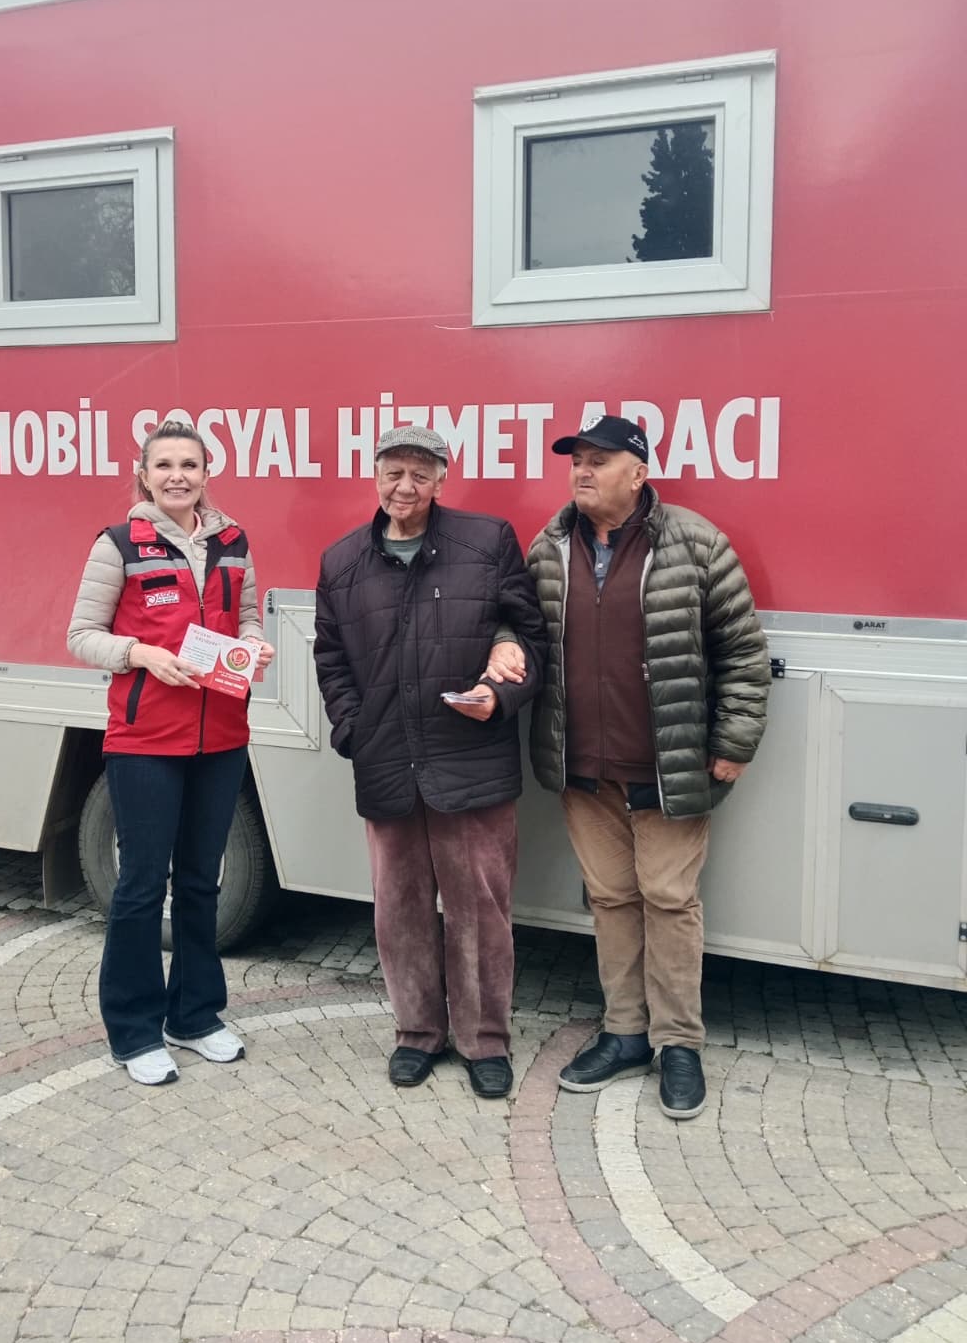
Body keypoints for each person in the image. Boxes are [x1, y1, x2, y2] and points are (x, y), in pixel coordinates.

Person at [527, 415, 769, 1119]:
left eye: (598, 461)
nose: (582, 471)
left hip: (667, 766)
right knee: (610, 900)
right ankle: (625, 1033)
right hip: (583, 769)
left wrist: (734, 741)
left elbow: (743, 653)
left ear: (638, 474)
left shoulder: (695, 543)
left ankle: (679, 1044)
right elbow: (519, 630)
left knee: (668, 900)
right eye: (576, 460)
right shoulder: (549, 546)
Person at [314, 425, 548, 1098]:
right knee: (401, 910)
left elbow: (530, 637)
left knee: (480, 912)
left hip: (469, 759)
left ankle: (484, 1042)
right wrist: (354, 730)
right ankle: (417, 1034)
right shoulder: (341, 562)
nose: (405, 487)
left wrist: (499, 694)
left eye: (420, 474)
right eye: (394, 472)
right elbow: (331, 658)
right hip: (387, 761)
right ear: (375, 476)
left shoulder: (487, 542)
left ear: (443, 480)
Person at [67, 418, 274, 1085]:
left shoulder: (234, 541)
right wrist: (142, 654)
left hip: (222, 736)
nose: (177, 476)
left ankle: (195, 1016)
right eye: (165, 465)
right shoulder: (118, 545)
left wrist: (254, 644)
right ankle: (133, 1032)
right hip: (146, 741)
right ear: (144, 475)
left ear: (207, 473)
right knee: (140, 886)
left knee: (200, 882)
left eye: (189, 465)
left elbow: (246, 616)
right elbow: (81, 635)